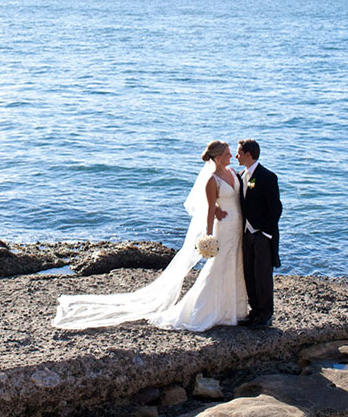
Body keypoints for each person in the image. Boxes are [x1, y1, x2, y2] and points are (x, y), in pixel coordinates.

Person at [52, 141, 249, 331]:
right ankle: (203, 311)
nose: (231, 156)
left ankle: (232, 309)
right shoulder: (211, 180)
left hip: (237, 225)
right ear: (217, 157)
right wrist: (208, 234)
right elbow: (208, 207)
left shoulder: (232, 172)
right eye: (226, 154)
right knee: (218, 266)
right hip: (222, 228)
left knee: (234, 264)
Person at [235, 139, 282, 329]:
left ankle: (266, 315)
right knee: (249, 274)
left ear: (248, 154)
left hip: (262, 235)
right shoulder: (241, 175)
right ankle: (254, 311)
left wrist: (266, 234)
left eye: (239, 152)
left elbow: (276, 208)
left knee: (262, 276)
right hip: (246, 234)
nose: (236, 156)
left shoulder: (267, 176)